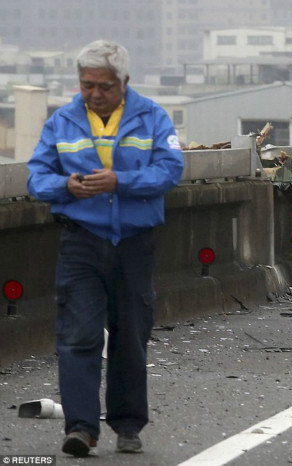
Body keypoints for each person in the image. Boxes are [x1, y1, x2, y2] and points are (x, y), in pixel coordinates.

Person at [26, 40, 184, 457]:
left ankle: (128, 424)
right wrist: (66, 186)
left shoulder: (152, 117)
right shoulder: (61, 121)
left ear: (124, 82)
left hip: (134, 242)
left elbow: (171, 170)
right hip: (81, 240)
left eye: (104, 86)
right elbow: (36, 177)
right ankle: (81, 427)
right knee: (78, 336)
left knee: (131, 335)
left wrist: (120, 182)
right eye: (87, 85)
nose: (95, 94)